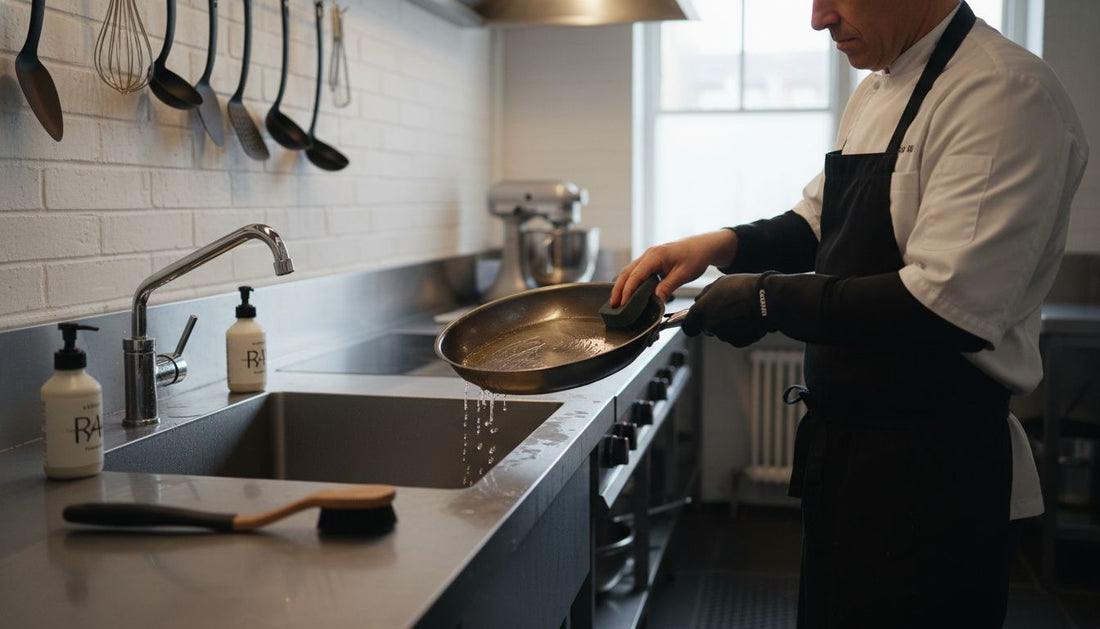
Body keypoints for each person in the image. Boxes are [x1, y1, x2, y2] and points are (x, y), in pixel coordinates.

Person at [611, 1, 1089, 626]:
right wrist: (719, 246)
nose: (818, 19)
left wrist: (765, 297)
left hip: (931, 472)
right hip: (847, 461)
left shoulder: (1002, 94)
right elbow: (818, 221)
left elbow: (945, 308)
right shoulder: (878, 88)